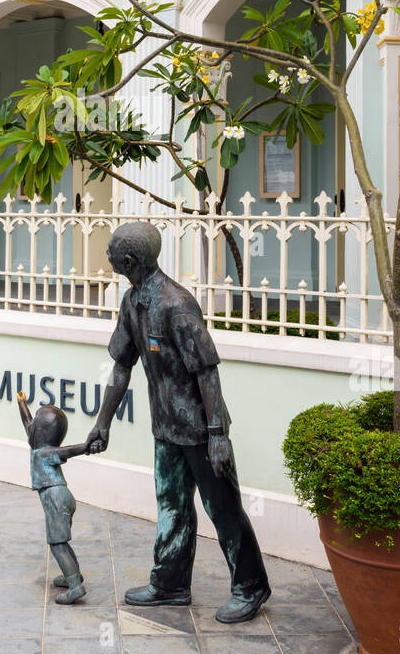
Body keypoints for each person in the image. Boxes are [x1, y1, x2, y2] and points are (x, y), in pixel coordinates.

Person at [86, 221, 271, 623]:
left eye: (113, 251)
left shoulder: (176, 305)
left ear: (129, 260)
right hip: (166, 427)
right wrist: (103, 423)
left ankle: (250, 587)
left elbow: (208, 372)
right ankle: (170, 583)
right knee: (171, 504)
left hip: (202, 431)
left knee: (222, 507)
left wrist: (218, 434)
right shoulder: (133, 302)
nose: (108, 256)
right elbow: (120, 367)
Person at [17, 392, 90, 604]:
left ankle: (76, 586)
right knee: (61, 542)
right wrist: (21, 402)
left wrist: (86, 447)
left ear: (41, 432)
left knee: (58, 544)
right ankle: (74, 576)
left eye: (35, 424)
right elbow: (27, 423)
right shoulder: (38, 446)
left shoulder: (45, 452)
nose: (31, 426)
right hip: (60, 497)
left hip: (56, 498)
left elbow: (67, 451)